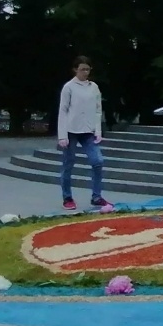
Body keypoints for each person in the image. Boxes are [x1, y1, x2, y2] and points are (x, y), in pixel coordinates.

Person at [57, 56, 111, 212]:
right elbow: (63, 110)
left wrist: (98, 131)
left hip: (88, 132)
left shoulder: (94, 87)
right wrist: (62, 136)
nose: (85, 72)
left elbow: (97, 110)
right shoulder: (69, 87)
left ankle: (96, 196)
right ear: (75, 69)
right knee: (68, 163)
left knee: (98, 161)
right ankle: (67, 198)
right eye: (82, 69)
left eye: (88, 69)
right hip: (71, 131)